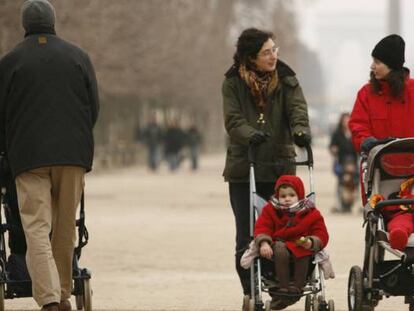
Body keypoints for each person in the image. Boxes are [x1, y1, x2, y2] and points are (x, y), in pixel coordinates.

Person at [0, 1, 99, 310]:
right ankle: (65, 292)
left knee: (36, 228)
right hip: (72, 153)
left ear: (24, 25)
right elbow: (92, 107)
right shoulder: (78, 57)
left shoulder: (9, 62)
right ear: (54, 23)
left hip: (28, 156)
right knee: (65, 226)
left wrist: (8, 148)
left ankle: (50, 300)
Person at [221, 27, 311, 309]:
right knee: (246, 235)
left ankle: (283, 287)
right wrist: (250, 134)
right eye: (266, 52)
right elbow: (233, 119)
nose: (273, 56)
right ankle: (252, 289)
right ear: (251, 57)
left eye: (275, 50)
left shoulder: (286, 79)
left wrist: (299, 131)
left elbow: (298, 109)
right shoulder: (232, 82)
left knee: (285, 230)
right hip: (244, 165)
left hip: (279, 168)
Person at [254, 175, 329, 309]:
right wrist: (264, 243)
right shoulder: (270, 210)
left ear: (299, 195)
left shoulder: (310, 212)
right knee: (280, 248)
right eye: (283, 196)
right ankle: (282, 288)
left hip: (301, 246)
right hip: (277, 248)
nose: (287, 199)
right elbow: (262, 227)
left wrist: (312, 241)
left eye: (292, 195)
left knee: (303, 250)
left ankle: (297, 286)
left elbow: (321, 232)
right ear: (278, 196)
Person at [369, 177, 414, 251]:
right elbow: (382, 205)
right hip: (403, 214)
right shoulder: (399, 198)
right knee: (400, 222)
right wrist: (379, 200)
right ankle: (399, 235)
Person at [329, 112, 358, 213]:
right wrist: (333, 149)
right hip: (341, 161)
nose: (346, 122)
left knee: (354, 184)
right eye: (344, 120)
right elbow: (331, 145)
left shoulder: (354, 132)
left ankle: (352, 203)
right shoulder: (337, 133)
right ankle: (341, 204)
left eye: (348, 120)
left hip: (354, 162)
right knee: (341, 183)